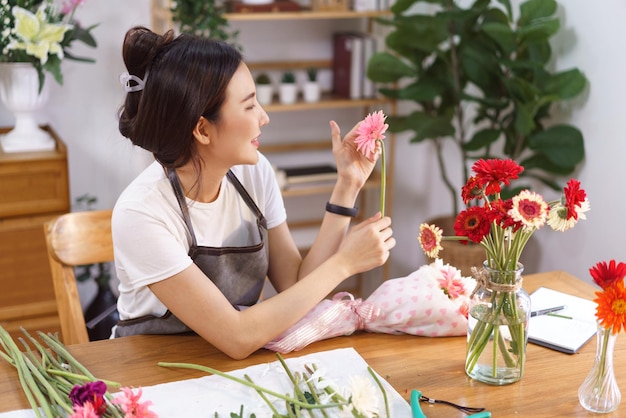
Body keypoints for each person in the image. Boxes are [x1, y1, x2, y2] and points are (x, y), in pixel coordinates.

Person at [112, 26, 395, 360]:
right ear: (202, 129)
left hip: (232, 368)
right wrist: (344, 264)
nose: (264, 117)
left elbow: (295, 283)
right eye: (249, 107)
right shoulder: (142, 213)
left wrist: (347, 186)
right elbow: (237, 337)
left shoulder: (254, 172)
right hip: (153, 370)